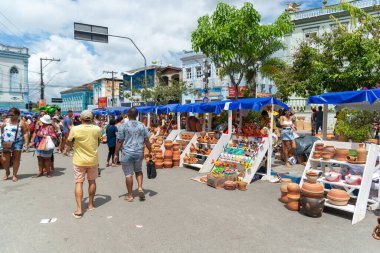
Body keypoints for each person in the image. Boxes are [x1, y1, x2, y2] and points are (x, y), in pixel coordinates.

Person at [66, 110, 102, 219]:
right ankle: (90, 204)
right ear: (92, 119)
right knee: (92, 181)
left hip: (79, 160)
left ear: (81, 119)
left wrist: (71, 146)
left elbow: (68, 142)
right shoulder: (97, 129)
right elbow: (98, 142)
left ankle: (79, 209)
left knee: (79, 182)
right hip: (93, 160)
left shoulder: (75, 129)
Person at [114, 107, 152, 202]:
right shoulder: (142, 125)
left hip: (127, 153)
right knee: (138, 170)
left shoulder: (123, 126)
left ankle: (130, 195)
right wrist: (151, 150)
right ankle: (140, 187)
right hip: (139, 152)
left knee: (128, 174)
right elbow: (146, 140)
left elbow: (119, 141)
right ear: (137, 115)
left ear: (127, 114)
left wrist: (115, 154)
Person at [1, 108, 29, 182]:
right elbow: (2, 130)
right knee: (5, 159)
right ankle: (7, 171)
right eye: (9, 114)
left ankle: (14, 174)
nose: (10, 116)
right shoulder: (6, 120)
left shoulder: (21, 122)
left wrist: (26, 142)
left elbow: (25, 133)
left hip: (17, 142)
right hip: (6, 142)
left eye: (12, 115)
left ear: (17, 115)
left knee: (16, 159)